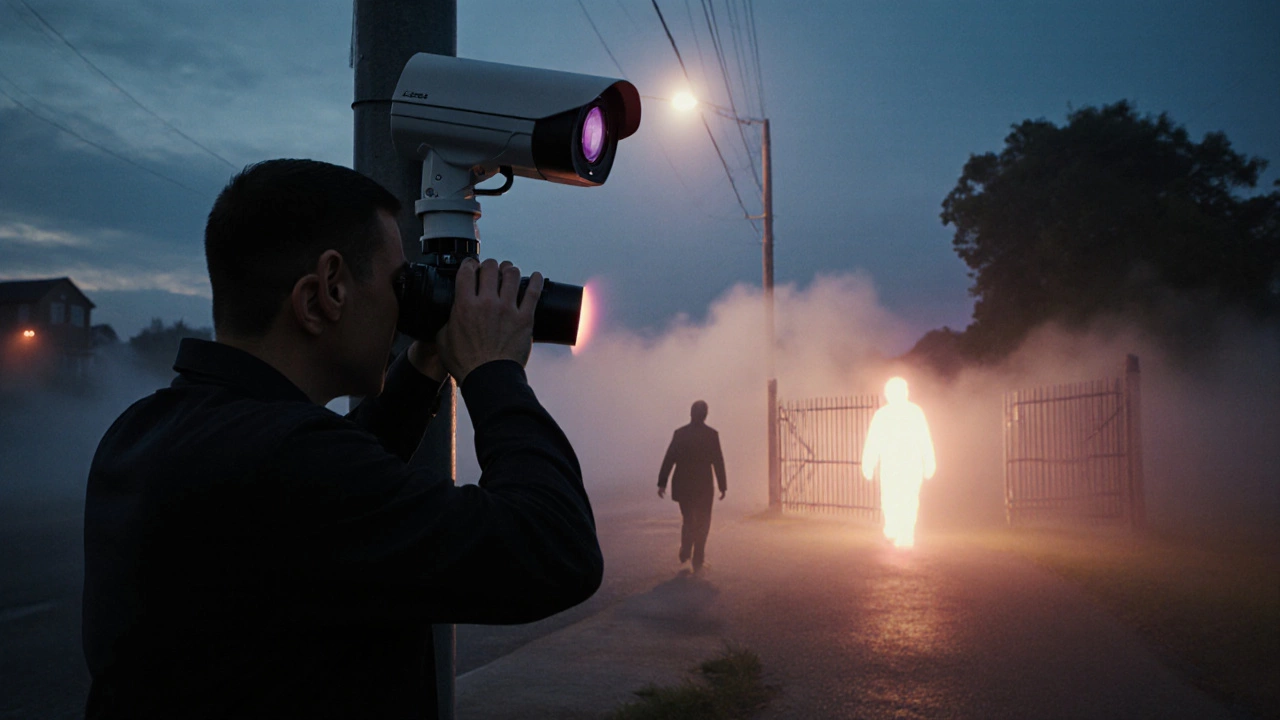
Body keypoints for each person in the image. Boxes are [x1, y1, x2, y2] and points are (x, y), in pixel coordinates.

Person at [81, 159, 602, 719]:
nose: (404, 308)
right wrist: (493, 368)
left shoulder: (143, 431)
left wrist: (423, 364)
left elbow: (334, 496)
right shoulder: (290, 463)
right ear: (326, 291)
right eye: (397, 283)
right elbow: (555, 548)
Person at [861, 377, 936, 549]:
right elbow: (873, 441)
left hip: (910, 464)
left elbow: (924, 439)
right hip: (892, 464)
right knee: (890, 498)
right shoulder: (883, 415)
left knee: (908, 498)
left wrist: (929, 462)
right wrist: (868, 464)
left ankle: (906, 532)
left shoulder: (914, 412)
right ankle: (893, 527)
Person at [657, 400, 727, 572]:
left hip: (684, 485)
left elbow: (669, 458)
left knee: (688, 519)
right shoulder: (711, 435)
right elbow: (718, 461)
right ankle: (698, 559)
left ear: (690, 413)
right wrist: (722, 485)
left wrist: (662, 482)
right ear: (706, 415)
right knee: (703, 522)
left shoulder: (680, 434)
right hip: (703, 486)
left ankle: (686, 549)